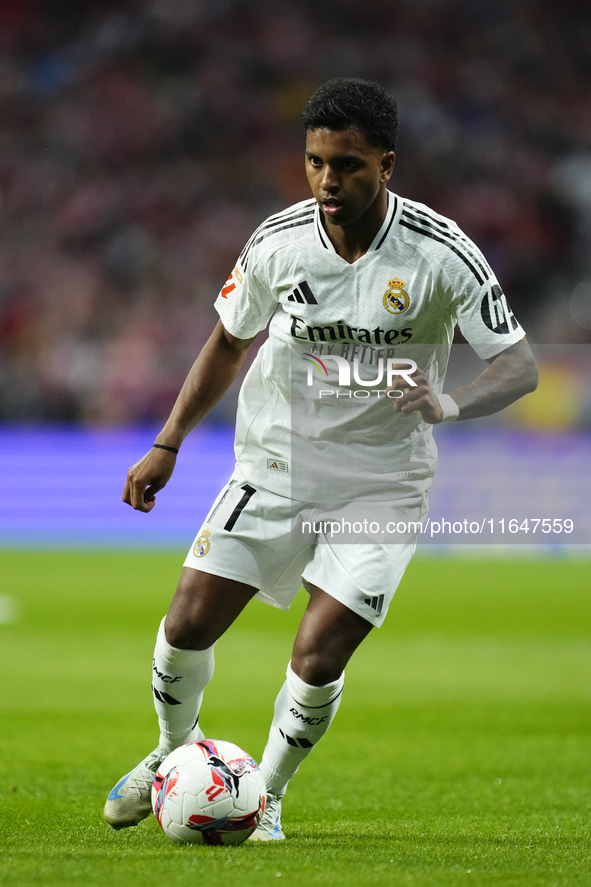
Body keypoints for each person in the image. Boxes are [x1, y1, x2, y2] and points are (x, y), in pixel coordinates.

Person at [103, 78, 537, 840]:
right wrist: (167, 441)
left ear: (387, 165)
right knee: (186, 622)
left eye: (347, 166)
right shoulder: (278, 241)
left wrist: (451, 402)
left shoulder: (441, 255)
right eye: (314, 163)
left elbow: (518, 364)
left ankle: (262, 792)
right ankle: (172, 754)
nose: (327, 181)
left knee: (319, 649)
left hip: (382, 481)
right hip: (275, 464)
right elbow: (229, 341)